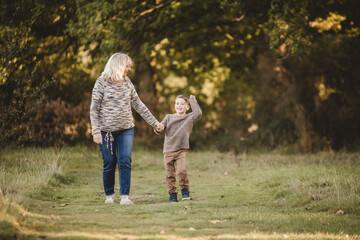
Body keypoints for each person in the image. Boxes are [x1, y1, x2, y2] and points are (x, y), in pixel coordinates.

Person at [90, 53, 164, 205]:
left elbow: (139, 105)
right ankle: (109, 195)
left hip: (126, 129)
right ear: (118, 66)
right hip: (106, 131)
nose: (129, 69)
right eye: (127, 66)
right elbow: (94, 109)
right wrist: (96, 131)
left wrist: (155, 123)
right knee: (109, 163)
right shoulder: (101, 82)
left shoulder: (127, 82)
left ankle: (125, 197)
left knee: (124, 161)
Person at [155, 94, 202, 202]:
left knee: (181, 171)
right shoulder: (168, 117)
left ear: (187, 107)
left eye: (182, 104)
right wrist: (158, 128)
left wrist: (192, 99)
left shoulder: (189, 117)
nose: (179, 106)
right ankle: (172, 195)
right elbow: (159, 129)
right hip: (168, 151)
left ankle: (185, 191)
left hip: (181, 150)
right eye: (177, 103)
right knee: (170, 174)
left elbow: (198, 113)